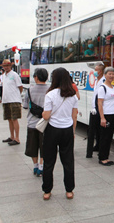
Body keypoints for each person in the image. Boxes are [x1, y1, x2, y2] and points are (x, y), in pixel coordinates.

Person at [42, 67, 78, 201]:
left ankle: (47, 191)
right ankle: (69, 190)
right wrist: (73, 131)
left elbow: (46, 116)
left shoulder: (50, 95)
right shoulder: (73, 95)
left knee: (49, 162)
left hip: (52, 129)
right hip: (67, 129)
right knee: (68, 161)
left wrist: (43, 113)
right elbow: (74, 116)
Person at [23, 68, 49, 177]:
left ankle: (35, 166)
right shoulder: (50, 90)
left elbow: (25, 106)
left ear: (36, 77)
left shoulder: (29, 91)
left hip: (32, 124)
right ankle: (42, 167)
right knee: (44, 146)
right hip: (46, 124)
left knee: (33, 147)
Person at [1, 59, 23, 146]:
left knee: (14, 119)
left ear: (11, 66)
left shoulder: (14, 75)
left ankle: (17, 138)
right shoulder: (3, 75)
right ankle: (12, 136)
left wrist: (16, 95)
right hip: (6, 100)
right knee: (9, 119)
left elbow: (20, 87)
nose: (6, 67)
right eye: (4, 66)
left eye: (7, 65)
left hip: (14, 100)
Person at [86, 63, 105, 158]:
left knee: (101, 130)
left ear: (100, 71)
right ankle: (97, 145)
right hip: (94, 109)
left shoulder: (104, 81)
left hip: (100, 108)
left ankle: (101, 147)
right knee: (96, 130)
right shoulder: (97, 80)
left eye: (96, 70)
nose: (94, 72)